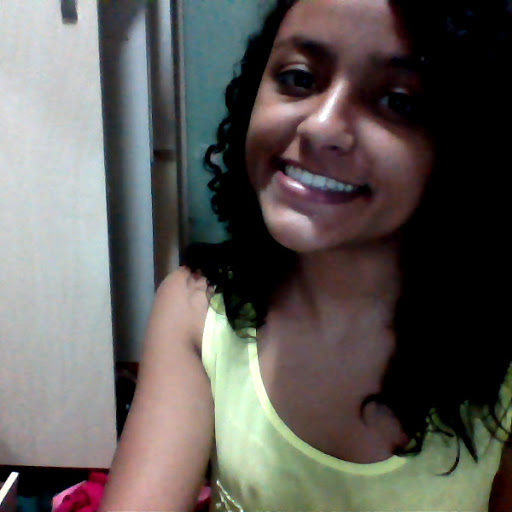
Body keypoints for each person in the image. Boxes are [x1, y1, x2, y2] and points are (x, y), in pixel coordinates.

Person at [99, 0, 512, 510]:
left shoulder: (502, 348)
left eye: (398, 101)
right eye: (298, 78)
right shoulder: (199, 311)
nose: (321, 126)